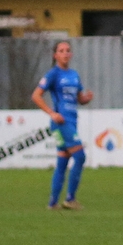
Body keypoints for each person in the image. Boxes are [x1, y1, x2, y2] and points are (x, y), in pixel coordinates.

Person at [32, 41, 93, 210]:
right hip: (61, 123)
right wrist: (52, 113)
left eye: (68, 50)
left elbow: (79, 99)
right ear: (55, 55)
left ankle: (52, 203)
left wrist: (86, 99)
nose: (65, 53)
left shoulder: (74, 75)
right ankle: (70, 199)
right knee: (80, 156)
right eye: (61, 51)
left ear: (71, 54)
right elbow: (36, 96)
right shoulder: (53, 74)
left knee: (63, 161)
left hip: (72, 121)